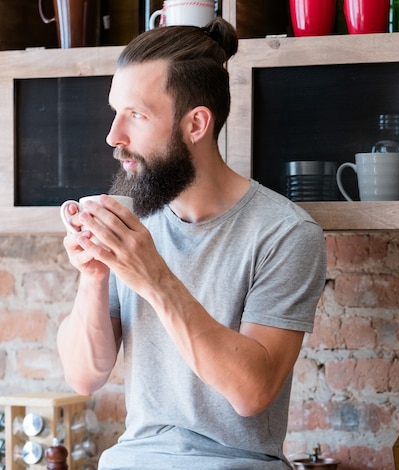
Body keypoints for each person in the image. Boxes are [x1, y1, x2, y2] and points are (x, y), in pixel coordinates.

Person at [57, 18, 326, 469]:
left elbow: (251, 391)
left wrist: (156, 278)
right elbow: (84, 376)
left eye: (136, 115)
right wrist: (95, 275)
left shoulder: (285, 233)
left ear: (196, 124)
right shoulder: (133, 222)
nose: (113, 136)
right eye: (114, 112)